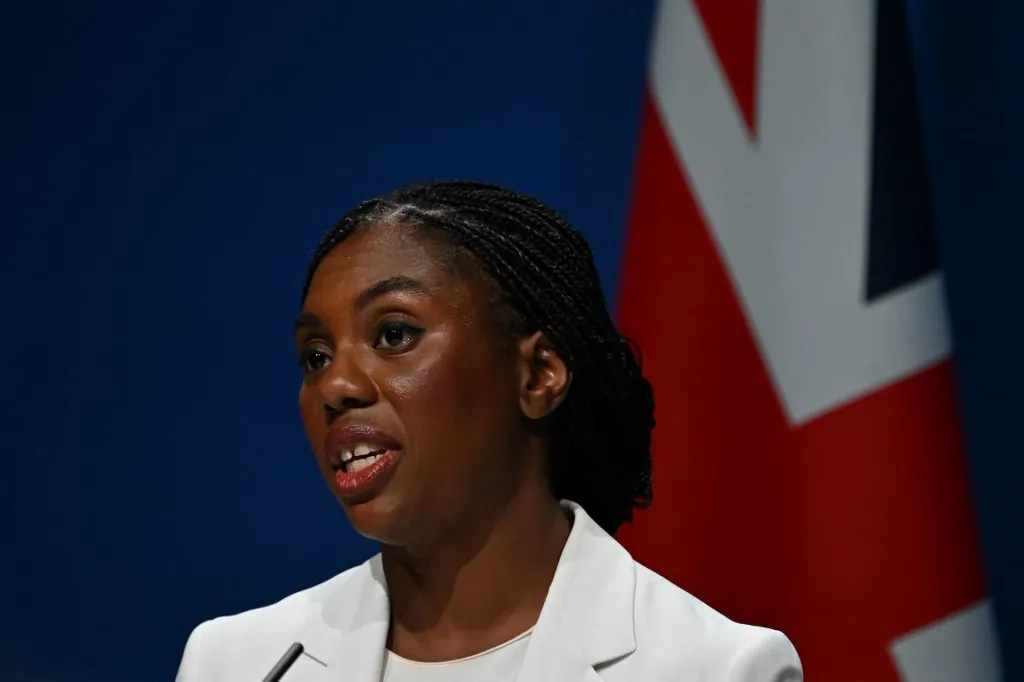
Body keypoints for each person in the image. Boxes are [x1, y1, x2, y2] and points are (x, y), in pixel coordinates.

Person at [174, 181, 802, 682]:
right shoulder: (237, 663)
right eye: (316, 356)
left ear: (538, 375)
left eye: (394, 335)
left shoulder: (713, 668)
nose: (336, 385)